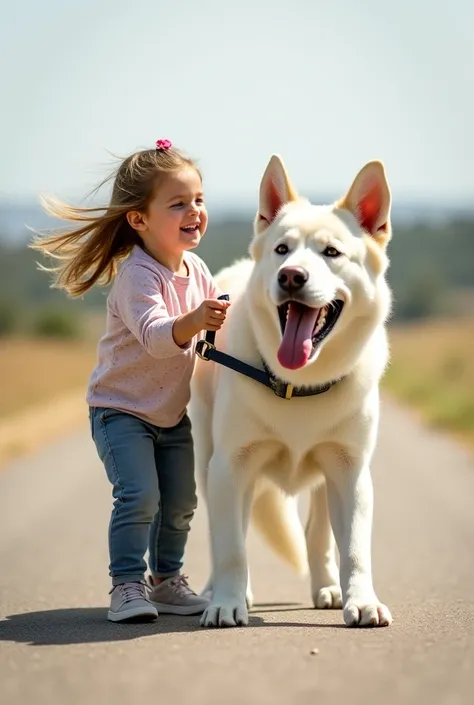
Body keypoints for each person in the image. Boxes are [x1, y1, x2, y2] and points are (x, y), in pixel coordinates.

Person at [31, 138, 230, 623]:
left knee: (181, 500)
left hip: (169, 414)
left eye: (199, 200)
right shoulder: (137, 276)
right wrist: (197, 319)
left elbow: (215, 333)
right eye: (179, 203)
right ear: (138, 219)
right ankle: (126, 585)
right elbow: (158, 337)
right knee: (140, 496)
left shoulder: (196, 268)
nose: (195, 211)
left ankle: (166, 581)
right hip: (120, 411)